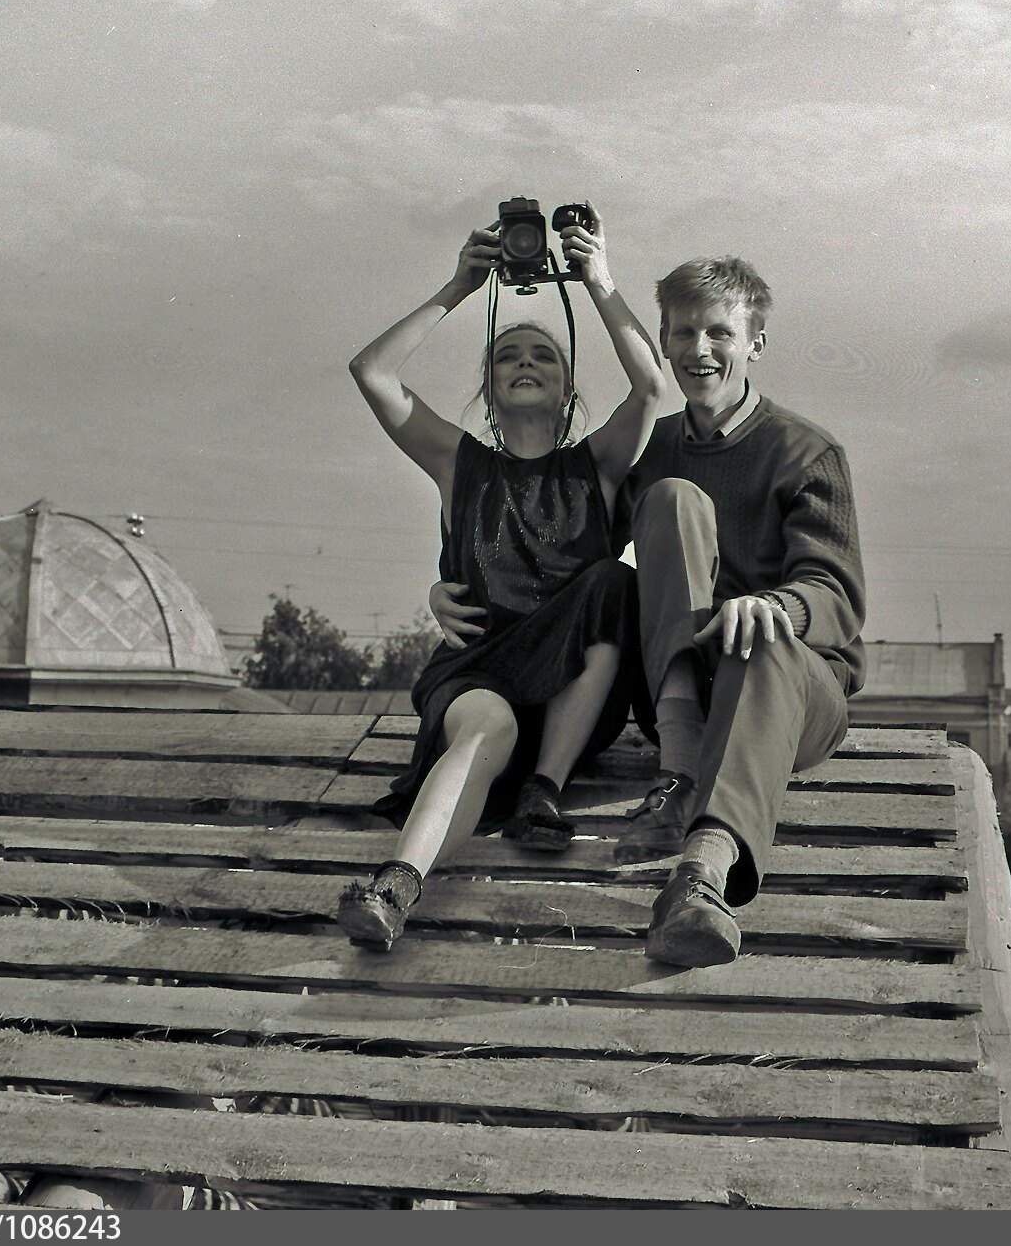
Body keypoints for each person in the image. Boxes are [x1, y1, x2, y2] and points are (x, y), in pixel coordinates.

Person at [433, 256, 866, 969]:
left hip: (790, 696)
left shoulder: (806, 452)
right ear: (663, 340)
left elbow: (838, 595)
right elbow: (570, 563)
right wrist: (450, 586)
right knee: (670, 499)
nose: (701, 349)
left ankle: (701, 876)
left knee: (761, 643)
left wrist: (774, 606)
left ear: (754, 343)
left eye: (720, 333)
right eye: (684, 332)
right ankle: (679, 765)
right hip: (684, 694)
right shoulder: (655, 448)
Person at [338, 206, 666, 950]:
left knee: (612, 584)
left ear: (567, 388)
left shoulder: (596, 465)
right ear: (487, 390)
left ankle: (542, 790)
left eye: (543, 356)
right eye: (506, 356)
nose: (525, 361)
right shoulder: (459, 464)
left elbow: (649, 387)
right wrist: (460, 285)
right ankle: (394, 888)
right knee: (488, 725)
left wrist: (597, 279)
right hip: (478, 671)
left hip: (570, 699)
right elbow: (372, 372)